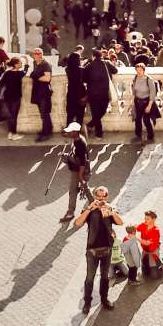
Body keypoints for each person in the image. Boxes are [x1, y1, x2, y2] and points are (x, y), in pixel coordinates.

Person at [76, 185, 123, 313]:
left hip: (107, 249)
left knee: (104, 277)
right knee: (89, 278)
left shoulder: (110, 209)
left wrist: (111, 211)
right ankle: (87, 302)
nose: (101, 199)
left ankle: (104, 299)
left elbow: (120, 222)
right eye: (98, 196)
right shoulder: (90, 210)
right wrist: (89, 208)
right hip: (92, 250)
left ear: (107, 197)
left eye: (104, 196)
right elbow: (77, 223)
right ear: (95, 197)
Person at [58, 123, 92, 223]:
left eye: (70, 131)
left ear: (75, 132)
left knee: (75, 190)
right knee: (83, 189)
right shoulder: (77, 138)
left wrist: (67, 158)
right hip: (77, 169)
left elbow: (82, 162)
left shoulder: (80, 144)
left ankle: (71, 213)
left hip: (79, 171)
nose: (68, 133)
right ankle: (95, 204)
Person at [139, 206, 163, 277]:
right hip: (145, 251)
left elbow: (152, 246)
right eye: (145, 218)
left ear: (153, 219)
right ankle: (151, 266)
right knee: (145, 274)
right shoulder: (144, 226)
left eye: (148, 219)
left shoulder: (155, 230)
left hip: (152, 252)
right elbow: (138, 229)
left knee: (156, 276)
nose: (145, 220)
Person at [31, 48, 55, 141]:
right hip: (38, 92)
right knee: (43, 114)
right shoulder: (35, 64)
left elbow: (47, 78)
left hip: (44, 92)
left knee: (45, 113)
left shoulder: (46, 65)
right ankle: (48, 130)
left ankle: (46, 134)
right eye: (36, 53)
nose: (38, 55)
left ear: (42, 54)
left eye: (39, 53)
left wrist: (36, 78)